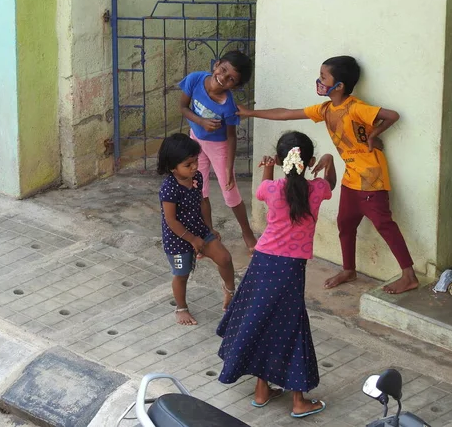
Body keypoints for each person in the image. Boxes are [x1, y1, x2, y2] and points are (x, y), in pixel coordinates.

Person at [236, 55, 419, 294]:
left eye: (324, 77)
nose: (319, 81)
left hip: (371, 179)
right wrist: (250, 113)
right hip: (352, 177)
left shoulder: (356, 108)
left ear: (339, 86)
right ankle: (349, 270)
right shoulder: (325, 109)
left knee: (385, 225)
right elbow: (287, 113)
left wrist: (374, 135)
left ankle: (409, 275)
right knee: (345, 224)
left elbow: (392, 116)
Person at [217, 131, 336, 418]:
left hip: (262, 262)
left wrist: (268, 167)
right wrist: (329, 159)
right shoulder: (317, 189)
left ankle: (262, 391)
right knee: (291, 326)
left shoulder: (272, 190)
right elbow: (331, 182)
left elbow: (262, 188)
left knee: (262, 319)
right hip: (290, 269)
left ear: (282, 161)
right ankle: (298, 401)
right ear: (308, 162)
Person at [179, 50, 257, 252]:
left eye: (231, 79)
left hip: (219, 146)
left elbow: (231, 137)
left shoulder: (228, 106)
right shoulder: (195, 79)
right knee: (199, 188)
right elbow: (182, 106)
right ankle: (209, 232)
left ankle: (247, 232)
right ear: (216, 65)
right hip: (196, 140)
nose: (223, 78)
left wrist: (229, 168)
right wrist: (201, 122)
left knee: (230, 191)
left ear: (236, 86)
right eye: (222, 70)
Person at [157, 133, 236, 326]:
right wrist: (192, 240)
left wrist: (209, 228)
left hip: (200, 231)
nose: (194, 167)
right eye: (188, 164)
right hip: (178, 239)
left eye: (195, 161)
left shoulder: (197, 177)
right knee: (181, 274)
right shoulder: (169, 189)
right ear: (172, 167)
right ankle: (181, 308)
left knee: (224, 258)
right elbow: (171, 221)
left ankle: (230, 292)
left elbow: (203, 203)